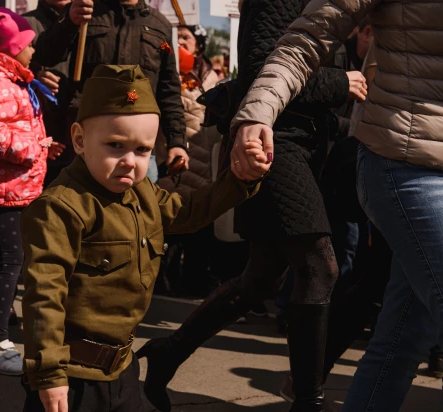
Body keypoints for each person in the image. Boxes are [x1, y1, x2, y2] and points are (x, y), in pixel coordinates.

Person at [137, 0, 368, 410]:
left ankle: (168, 352)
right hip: (271, 143)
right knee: (319, 266)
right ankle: (308, 399)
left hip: (299, 146)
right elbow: (263, 71)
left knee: (261, 279)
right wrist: (340, 82)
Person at [230, 1, 443, 411]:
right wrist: (257, 111)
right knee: (313, 269)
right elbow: (303, 41)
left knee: (404, 331)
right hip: (401, 161)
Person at [20, 64, 262, 412]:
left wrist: (238, 180)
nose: (130, 162)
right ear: (78, 139)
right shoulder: (61, 208)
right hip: (72, 379)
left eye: (143, 150)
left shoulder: (142, 193)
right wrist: (49, 374)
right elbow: (44, 296)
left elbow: (188, 212)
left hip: (122, 371)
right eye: (115, 145)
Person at [0, 4, 63, 376]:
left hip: (9, 185)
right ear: (9, 47)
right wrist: (34, 149)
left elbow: (10, 124)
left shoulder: (8, 78)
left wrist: (41, 143)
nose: (34, 50)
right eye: (28, 43)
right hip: (4, 189)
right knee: (9, 264)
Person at [30, 0, 190, 183]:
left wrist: (177, 142)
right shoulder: (84, 11)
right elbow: (45, 56)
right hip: (87, 144)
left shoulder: (160, 27)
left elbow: (169, 90)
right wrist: (69, 21)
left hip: (138, 149)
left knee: (138, 208)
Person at [156, 25, 223, 297]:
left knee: (198, 223)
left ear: (199, 45)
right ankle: (162, 280)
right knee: (169, 221)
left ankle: (192, 282)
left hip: (204, 157)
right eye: (177, 37)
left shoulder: (211, 76)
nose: (181, 41)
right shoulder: (169, 71)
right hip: (174, 155)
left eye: (187, 37)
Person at [23, 0, 76, 186]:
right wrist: (34, 76)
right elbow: (6, 67)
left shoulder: (91, 23)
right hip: (44, 133)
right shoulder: (25, 23)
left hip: (79, 130)